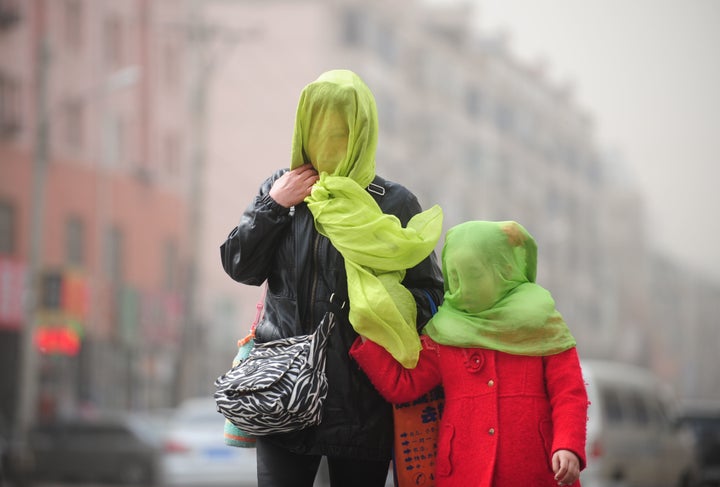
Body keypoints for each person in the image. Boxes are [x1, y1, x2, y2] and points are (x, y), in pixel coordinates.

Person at [220, 69, 444, 487]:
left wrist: (382, 308)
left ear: (361, 130)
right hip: (283, 391)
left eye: (340, 128)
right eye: (318, 124)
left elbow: (431, 296)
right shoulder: (281, 189)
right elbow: (240, 266)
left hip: (361, 398)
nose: (328, 139)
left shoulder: (392, 202)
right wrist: (274, 206)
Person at [350, 220, 589, 487]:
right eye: (456, 274)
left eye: (474, 273)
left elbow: (569, 393)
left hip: (536, 472)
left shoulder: (541, 321)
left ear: (502, 268)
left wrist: (568, 446)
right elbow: (403, 385)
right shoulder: (445, 330)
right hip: (464, 473)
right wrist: (369, 332)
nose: (464, 284)